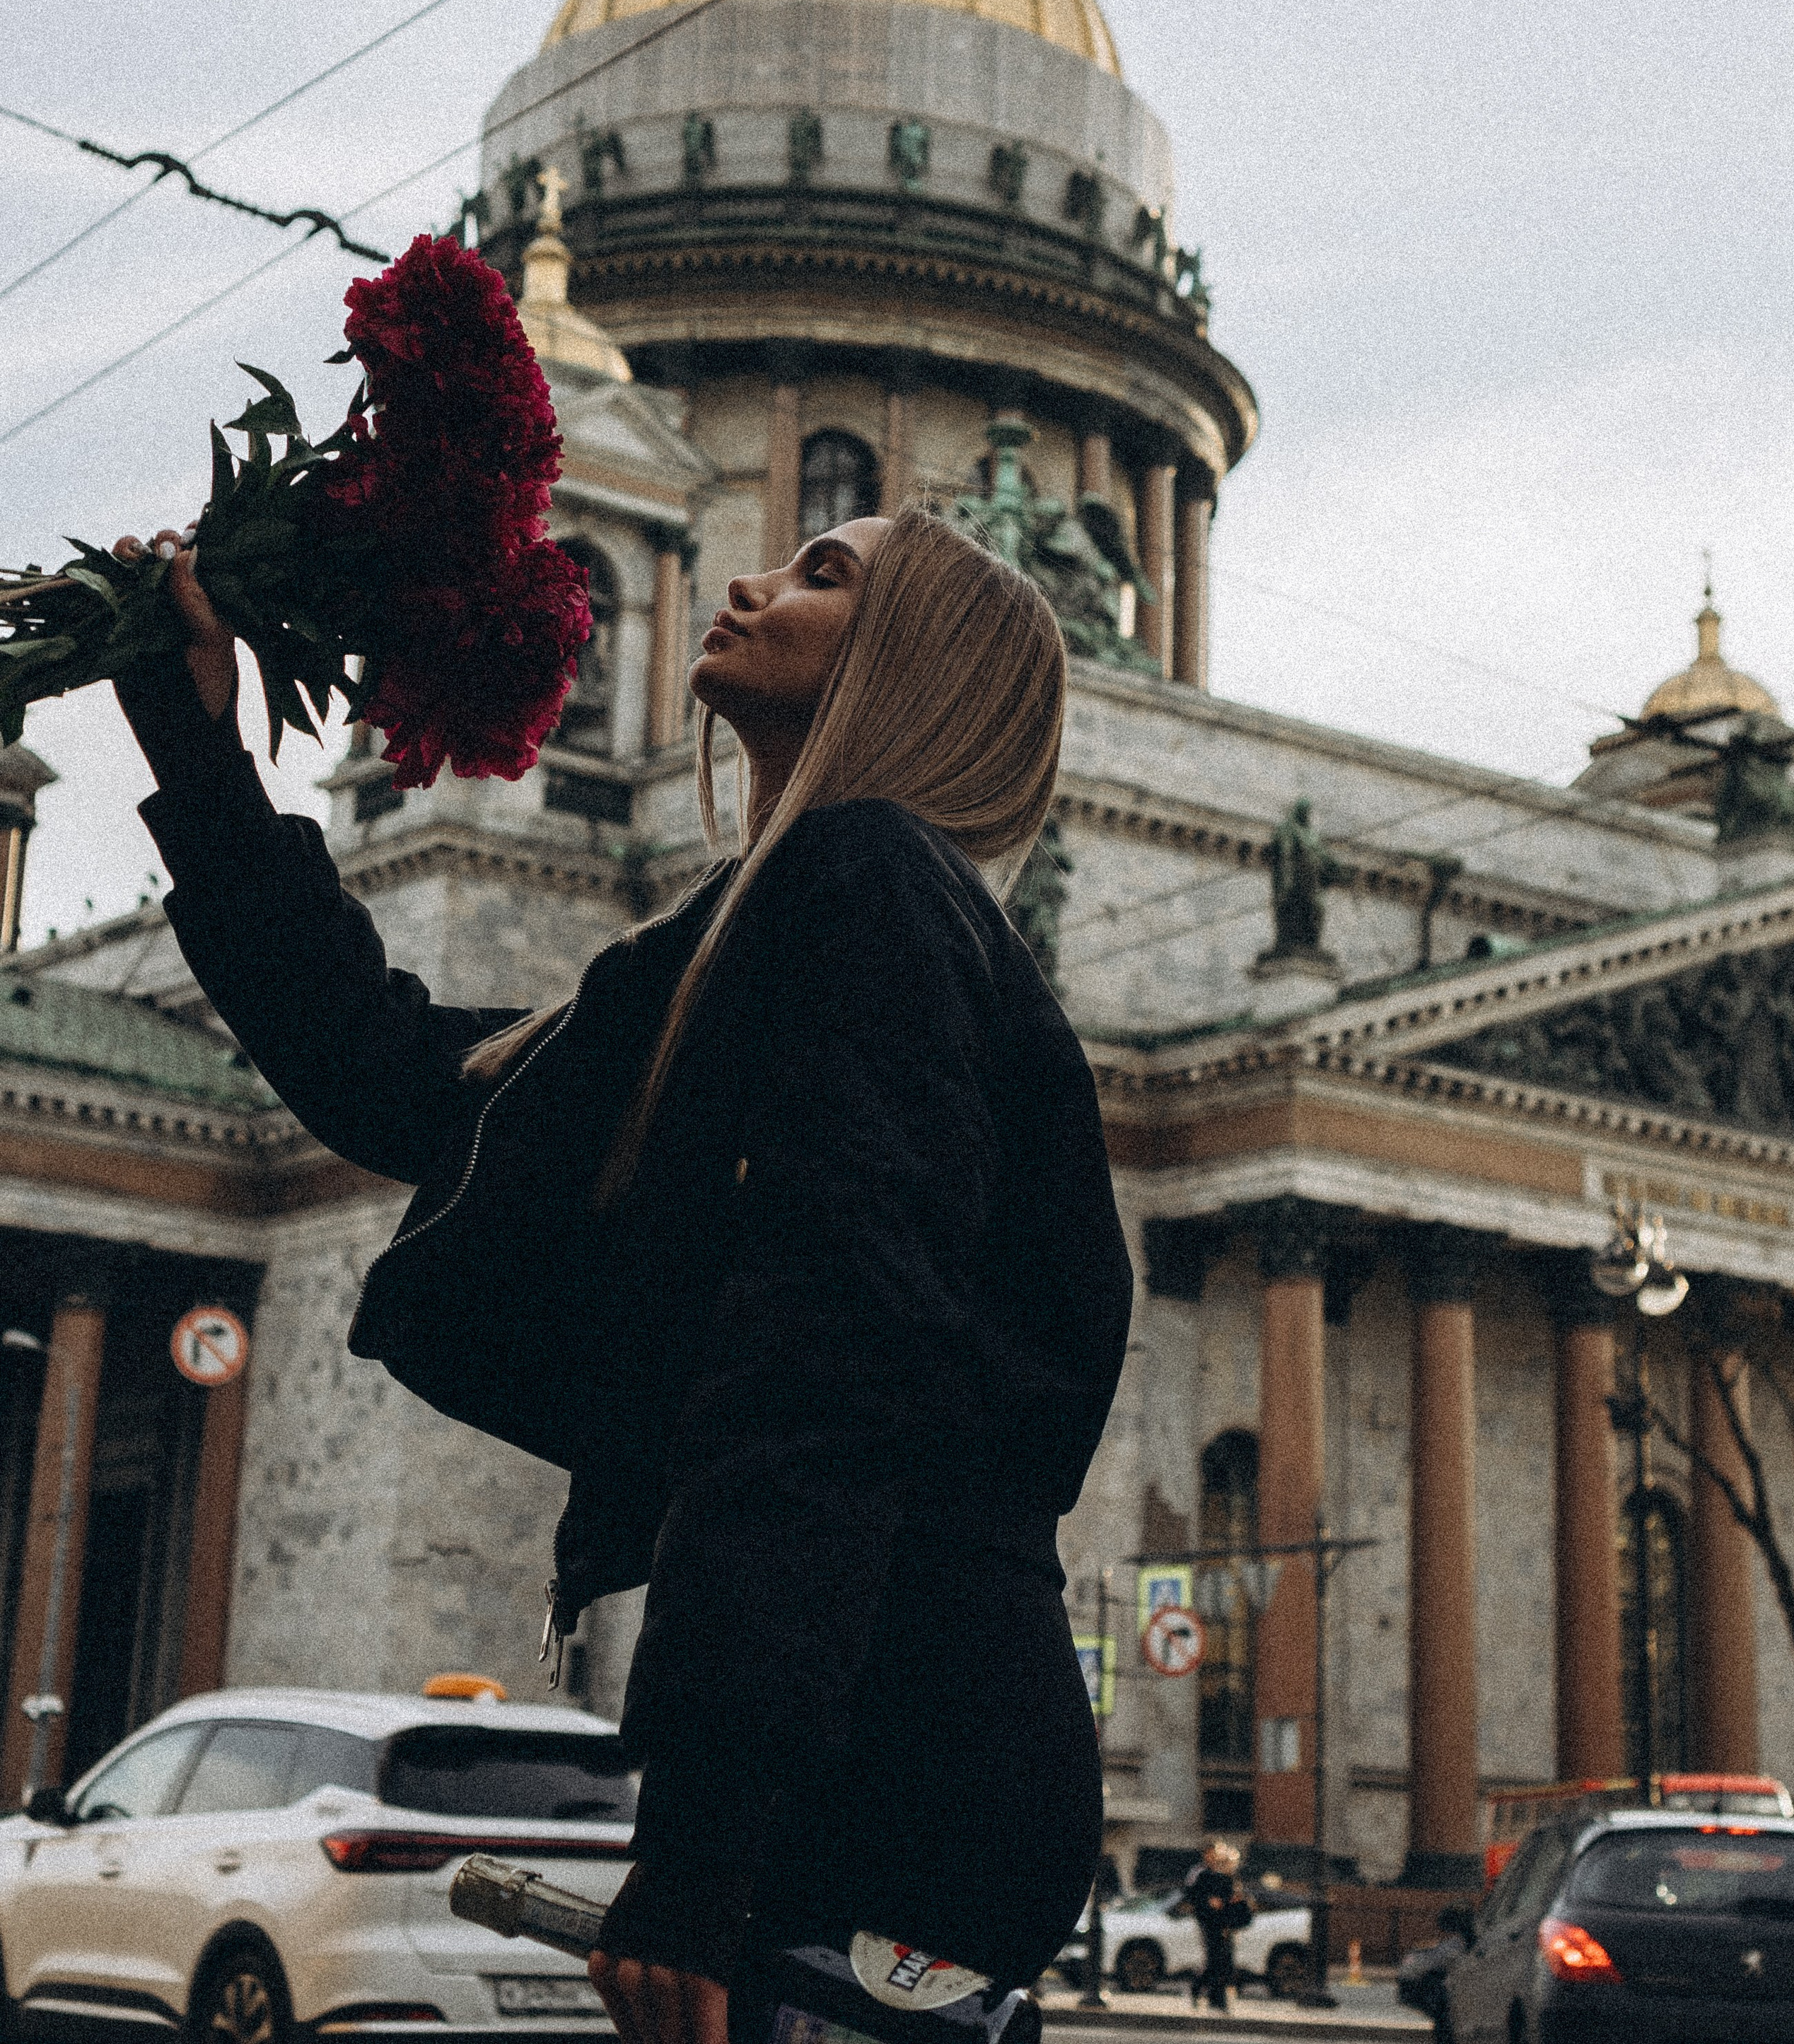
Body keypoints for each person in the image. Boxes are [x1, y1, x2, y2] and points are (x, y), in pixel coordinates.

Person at [110, 502, 1134, 2044]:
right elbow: (399, 1076)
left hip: (894, 1746)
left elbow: (823, 1374)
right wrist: (200, 765)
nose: (747, 579)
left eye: (822, 575)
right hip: (884, 1726)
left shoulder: (869, 887)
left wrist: (706, 1839)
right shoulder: (757, 932)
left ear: (912, 663)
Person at [1180, 1844, 1251, 2012]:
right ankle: (1209, 1995)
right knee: (1216, 1960)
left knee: (1222, 1961)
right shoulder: (1204, 1875)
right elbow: (1193, 1895)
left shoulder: (1230, 1880)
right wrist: (1209, 1902)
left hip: (1225, 1925)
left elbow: (1234, 1902)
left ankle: (1213, 1996)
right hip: (1211, 1923)